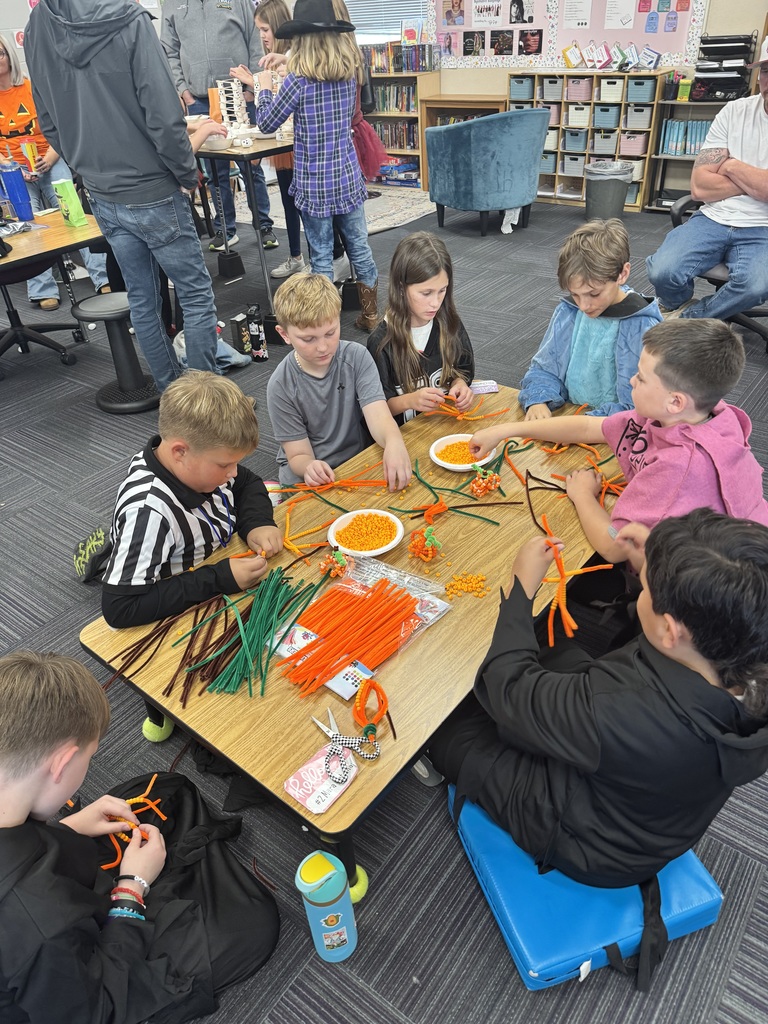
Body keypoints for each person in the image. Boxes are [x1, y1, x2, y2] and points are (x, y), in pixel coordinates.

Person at [428, 509, 768, 889]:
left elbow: (506, 689)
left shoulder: (621, 707)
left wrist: (520, 589)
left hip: (594, 848)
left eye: (650, 585)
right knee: (558, 653)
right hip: (653, 815)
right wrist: (653, 566)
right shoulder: (746, 660)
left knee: (451, 728)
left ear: (671, 631)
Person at [0, 650, 279, 1023]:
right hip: (77, 995)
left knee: (168, 788)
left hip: (40, 914)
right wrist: (132, 888)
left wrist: (69, 828)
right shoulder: (42, 930)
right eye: (89, 759)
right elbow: (99, 1009)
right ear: (62, 763)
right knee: (252, 924)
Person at [24, 0, 219, 394]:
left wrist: (84, 167)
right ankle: (202, 410)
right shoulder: (129, 19)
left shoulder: (36, 28)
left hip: (101, 190)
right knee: (195, 296)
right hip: (152, 188)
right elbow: (163, 113)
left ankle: (172, 397)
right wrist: (185, 172)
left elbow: (48, 120)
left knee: (143, 300)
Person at [470, 319, 768, 564]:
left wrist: (583, 494)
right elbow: (590, 426)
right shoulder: (684, 413)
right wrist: (506, 430)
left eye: (640, 377)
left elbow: (614, 547)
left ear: (675, 401)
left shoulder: (678, 468)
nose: (630, 382)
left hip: (712, 584)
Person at [101, 371, 282, 629]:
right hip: (185, 610)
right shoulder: (149, 513)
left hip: (220, 556)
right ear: (180, 452)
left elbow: (247, 482)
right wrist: (218, 579)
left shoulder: (198, 461)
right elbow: (119, 608)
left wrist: (257, 522)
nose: (233, 472)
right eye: (225, 464)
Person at [254, 0, 381, 332]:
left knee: (321, 257)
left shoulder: (298, 80)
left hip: (314, 181)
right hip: (347, 175)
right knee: (359, 246)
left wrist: (264, 89)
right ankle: (371, 315)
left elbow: (267, 123)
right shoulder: (348, 71)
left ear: (301, 39)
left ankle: (329, 327)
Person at [645, 36, 768, 320]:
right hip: (713, 218)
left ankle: (685, 321)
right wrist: (754, 183)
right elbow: (700, 186)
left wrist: (730, 165)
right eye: (766, 70)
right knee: (662, 271)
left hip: (762, 227)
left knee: (754, 286)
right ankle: (681, 306)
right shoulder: (734, 111)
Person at [266, 272, 411, 489]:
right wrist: (309, 467)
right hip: (308, 479)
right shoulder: (281, 385)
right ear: (284, 334)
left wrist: (394, 442)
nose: (323, 347)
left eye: (330, 333)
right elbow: (298, 455)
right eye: (308, 339)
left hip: (355, 462)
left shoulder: (357, 357)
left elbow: (379, 417)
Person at [0, 34, 108, 311]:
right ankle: (41, 288)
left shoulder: (33, 88)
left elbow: (60, 127)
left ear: (10, 54)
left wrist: (49, 157)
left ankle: (103, 277)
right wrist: (9, 166)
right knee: (28, 224)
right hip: (12, 168)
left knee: (74, 215)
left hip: (49, 157)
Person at [161, 0, 277, 252]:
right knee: (215, 171)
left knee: (251, 164)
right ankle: (226, 227)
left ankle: (264, 224)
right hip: (199, 100)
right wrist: (184, 92)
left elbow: (254, 40)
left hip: (239, 94)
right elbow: (169, 51)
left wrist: (250, 88)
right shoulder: (171, 4)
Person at [519, 218, 661, 420]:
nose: (584, 306)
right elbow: (544, 368)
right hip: (571, 415)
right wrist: (538, 399)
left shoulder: (641, 324)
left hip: (613, 425)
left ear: (623, 274)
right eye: (575, 294)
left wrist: (586, 424)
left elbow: (641, 405)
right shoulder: (569, 310)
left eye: (594, 294)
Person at [230, 0, 308, 279]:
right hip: (283, 139)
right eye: (259, 29)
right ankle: (297, 256)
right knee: (289, 199)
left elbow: (279, 95)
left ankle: (314, 258)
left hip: (298, 140)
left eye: (265, 29)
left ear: (277, 25)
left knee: (302, 202)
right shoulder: (276, 55)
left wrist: (253, 82)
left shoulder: (295, 57)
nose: (261, 35)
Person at [366, 231, 475, 426]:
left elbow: (464, 370)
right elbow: (377, 408)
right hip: (406, 437)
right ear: (401, 288)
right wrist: (410, 401)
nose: (435, 303)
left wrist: (460, 385)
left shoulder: (450, 324)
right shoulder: (381, 342)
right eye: (426, 293)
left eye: (443, 291)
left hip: (446, 427)